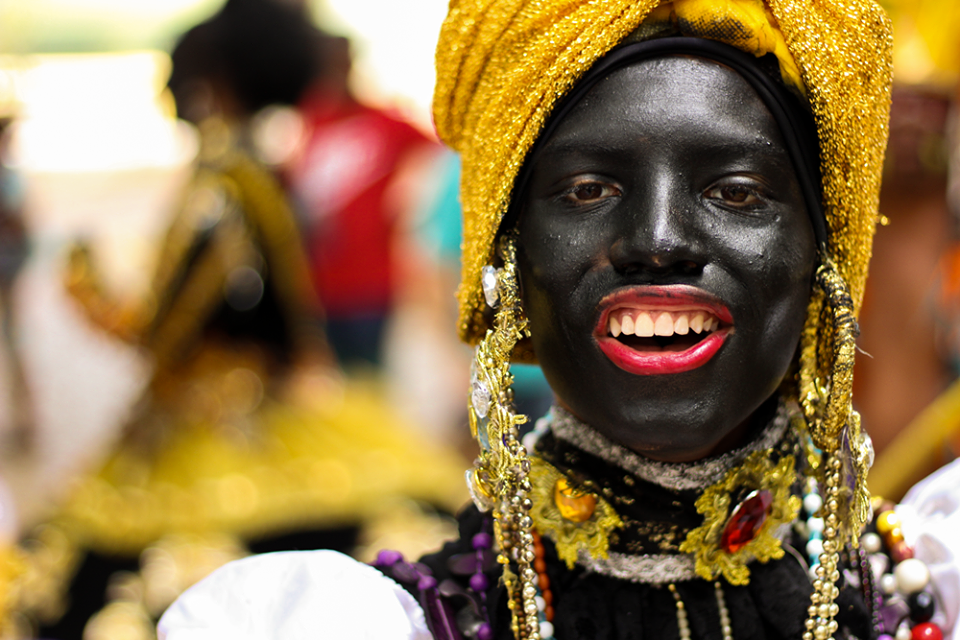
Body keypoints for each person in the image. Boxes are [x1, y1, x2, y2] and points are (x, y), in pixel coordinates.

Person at [159, 0, 958, 638]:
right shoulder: (373, 624)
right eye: (586, 190)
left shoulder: (927, 590)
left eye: (736, 192)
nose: (658, 241)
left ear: (826, 256)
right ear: (506, 259)